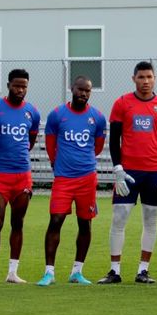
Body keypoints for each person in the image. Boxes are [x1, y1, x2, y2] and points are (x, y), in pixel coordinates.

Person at [98, 61, 157, 285]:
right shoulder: (122, 103)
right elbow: (114, 139)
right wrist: (118, 168)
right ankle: (114, 271)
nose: (145, 81)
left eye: (149, 77)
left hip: (154, 172)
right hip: (129, 171)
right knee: (119, 216)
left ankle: (143, 270)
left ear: (155, 78)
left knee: (151, 219)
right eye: (141, 77)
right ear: (134, 79)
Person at [39, 76, 106, 286]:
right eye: (80, 89)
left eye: (87, 91)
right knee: (56, 220)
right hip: (64, 179)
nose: (83, 94)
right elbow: (50, 145)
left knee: (85, 223)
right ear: (71, 89)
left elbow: (97, 147)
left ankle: (77, 271)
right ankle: (49, 272)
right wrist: (57, 164)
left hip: (87, 178)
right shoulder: (57, 115)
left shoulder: (98, 117)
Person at [0, 69, 41, 284]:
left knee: (18, 222)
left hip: (22, 175)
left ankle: (12, 272)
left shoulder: (32, 112)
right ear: (8, 85)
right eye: (17, 86)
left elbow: (31, 140)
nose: (20, 90)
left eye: (24, 86)